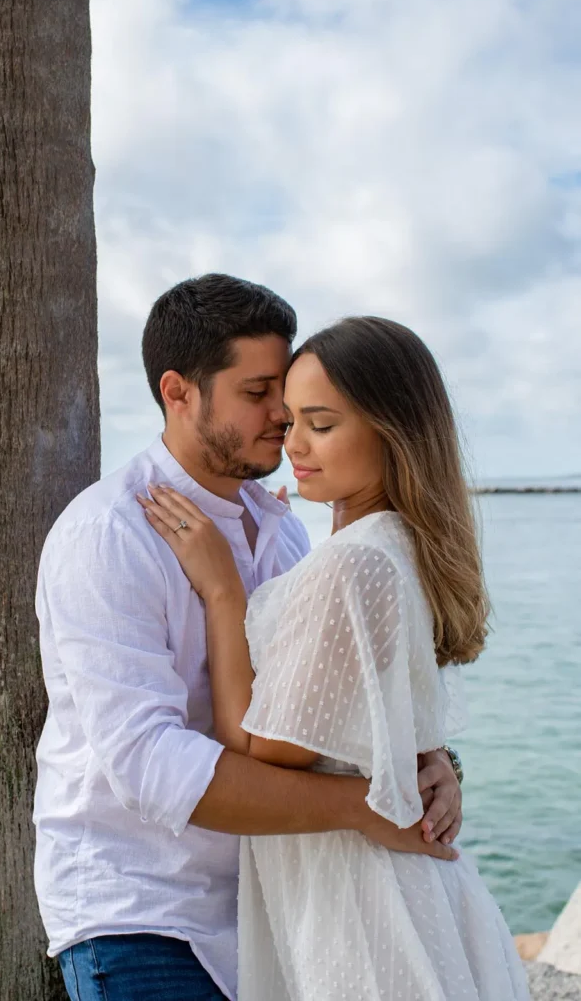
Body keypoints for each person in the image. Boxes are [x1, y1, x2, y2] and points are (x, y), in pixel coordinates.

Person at [33, 276, 464, 1001]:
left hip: (276, 906)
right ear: (178, 393)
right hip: (145, 914)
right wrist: (367, 807)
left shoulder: (284, 532)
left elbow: (320, 704)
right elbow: (149, 763)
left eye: (286, 395)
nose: (281, 416)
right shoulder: (109, 534)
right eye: (258, 392)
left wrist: (428, 763)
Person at [139, 315, 530, 1001]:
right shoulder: (396, 547)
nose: (293, 444)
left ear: (392, 430)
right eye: (291, 421)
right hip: (386, 887)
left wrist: (224, 591)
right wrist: (436, 761)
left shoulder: (351, 565)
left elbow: (262, 747)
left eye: (320, 424)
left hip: (361, 902)